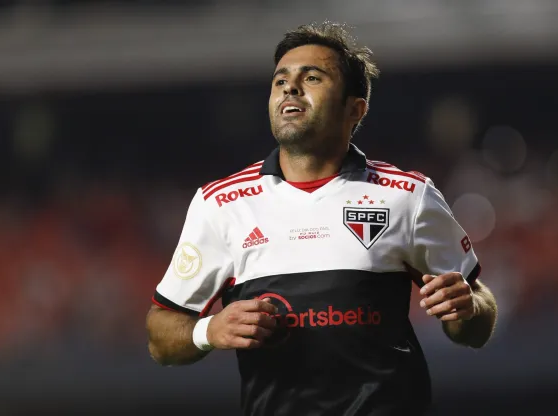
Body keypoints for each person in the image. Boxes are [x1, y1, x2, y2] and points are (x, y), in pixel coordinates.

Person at [146, 21, 498, 416]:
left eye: (312, 77)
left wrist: (466, 307)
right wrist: (208, 331)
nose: (290, 88)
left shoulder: (408, 196)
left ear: (355, 109)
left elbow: (477, 322)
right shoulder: (221, 203)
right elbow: (161, 337)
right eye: (281, 81)